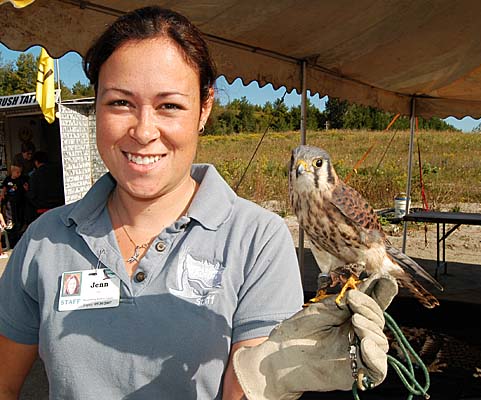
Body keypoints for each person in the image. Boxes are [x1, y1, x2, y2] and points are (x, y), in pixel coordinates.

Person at [0, 6, 397, 400]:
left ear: (204, 109)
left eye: (169, 105)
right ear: (97, 106)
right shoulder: (43, 241)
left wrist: (271, 375)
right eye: (120, 102)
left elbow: (243, 390)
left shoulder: (257, 239)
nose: (143, 130)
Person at [25, 150, 65, 223]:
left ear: (36, 162)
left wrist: (27, 190)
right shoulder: (58, 171)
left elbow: (32, 195)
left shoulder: (35, 175)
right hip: (60, 205)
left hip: (43, 207)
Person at [0, 163, 27, 246]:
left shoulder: (21, 180)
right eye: (17, 172)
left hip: (19, 202)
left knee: (19, 218)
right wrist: (2, 194)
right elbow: (4, 188)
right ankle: (11, 235)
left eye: (20, 172)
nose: (19, 174)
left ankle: (18, 231)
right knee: (10, 218)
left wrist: (26, 187)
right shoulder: (8, 179)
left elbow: (25, 188)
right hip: (9, 202)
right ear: (13, 172)